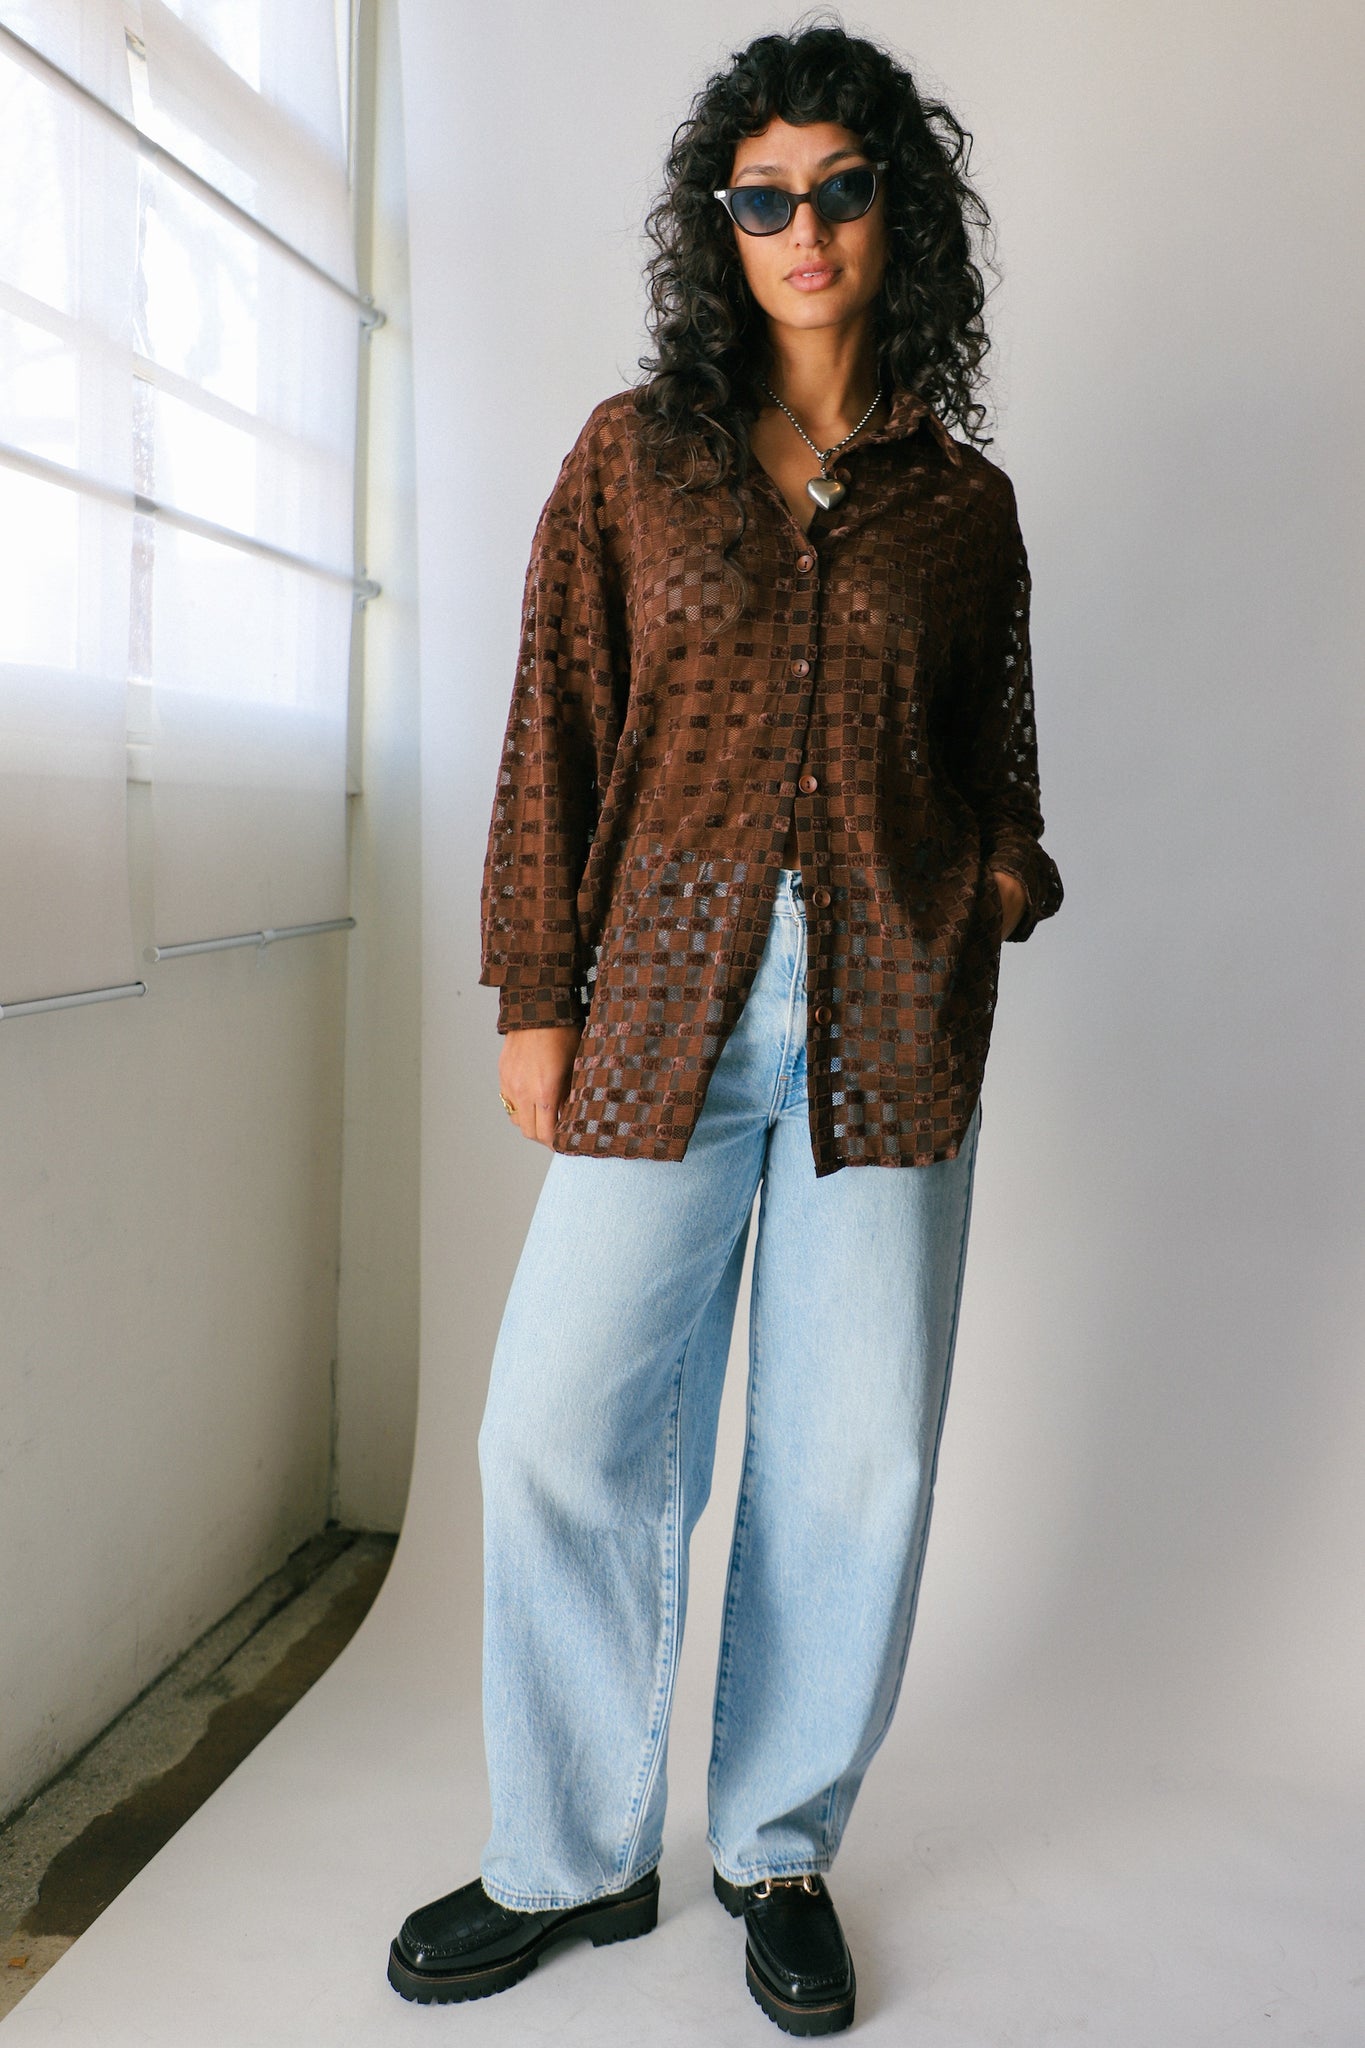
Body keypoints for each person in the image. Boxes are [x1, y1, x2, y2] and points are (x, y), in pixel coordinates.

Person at [387, 19, 1063, 2036]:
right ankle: (570, 1856)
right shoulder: (635, 457)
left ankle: (777, 1847)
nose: (802, 227)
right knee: (556, 1427)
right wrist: (536, 996)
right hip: (657, 1007)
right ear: (720, 224)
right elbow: (551, 732)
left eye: (838, 188)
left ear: (893, 211)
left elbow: (1003, 782)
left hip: (889, 1025)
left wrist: (983, 887)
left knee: (851, 1458)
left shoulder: (962, 507)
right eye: (761, 196)